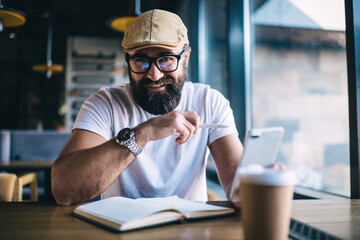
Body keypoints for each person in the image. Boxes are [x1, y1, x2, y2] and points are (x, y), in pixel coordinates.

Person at [51, 9, 243, 206]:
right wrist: (144, 132)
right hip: (120, 231)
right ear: (128, 60)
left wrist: (264, 179)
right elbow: (64, 190)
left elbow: (237, 180)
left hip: (190, 230)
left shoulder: (209, 102)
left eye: (167, 59)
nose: (154, 75)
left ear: (185, 57)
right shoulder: (104, 103)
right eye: (141, 61)